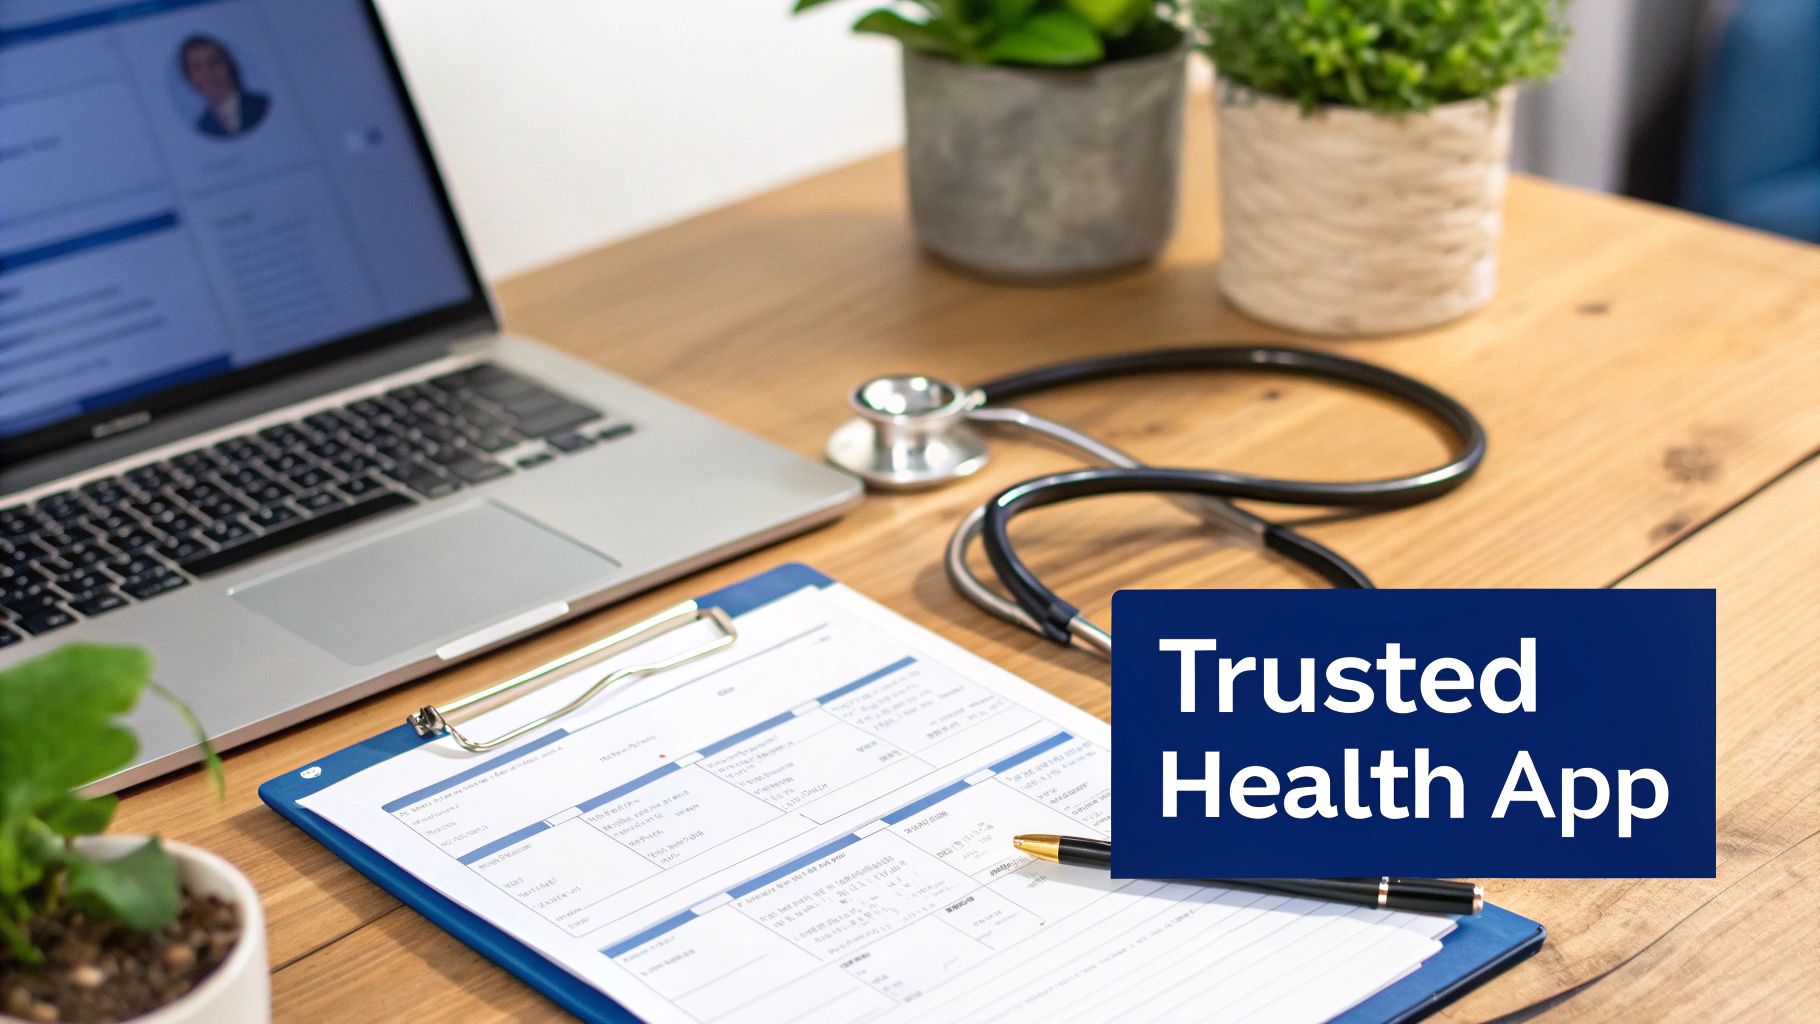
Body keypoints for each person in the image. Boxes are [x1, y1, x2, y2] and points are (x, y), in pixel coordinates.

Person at [178, 35, 270, 138]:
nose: (207, 74)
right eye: (197, 67)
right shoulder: (202, 126)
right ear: (189, 77)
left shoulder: (261, 105)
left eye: (214, 62)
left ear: (229, 65)